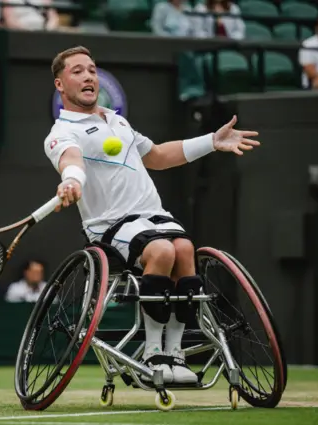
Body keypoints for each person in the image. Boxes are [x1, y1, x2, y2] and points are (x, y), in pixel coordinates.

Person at [43, 46, 260, 384]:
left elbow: (158, 156)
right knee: (163, 251)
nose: (89, 76)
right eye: (78, 71)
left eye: (92, 69)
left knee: (185, 251)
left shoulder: (118, 121)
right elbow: (72, 160)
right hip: (110, 227)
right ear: (60, 84)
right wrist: (71, 180)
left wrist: (211, 142)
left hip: (153, 216)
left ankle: (174, 355)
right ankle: (153, 353)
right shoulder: (62, 132)